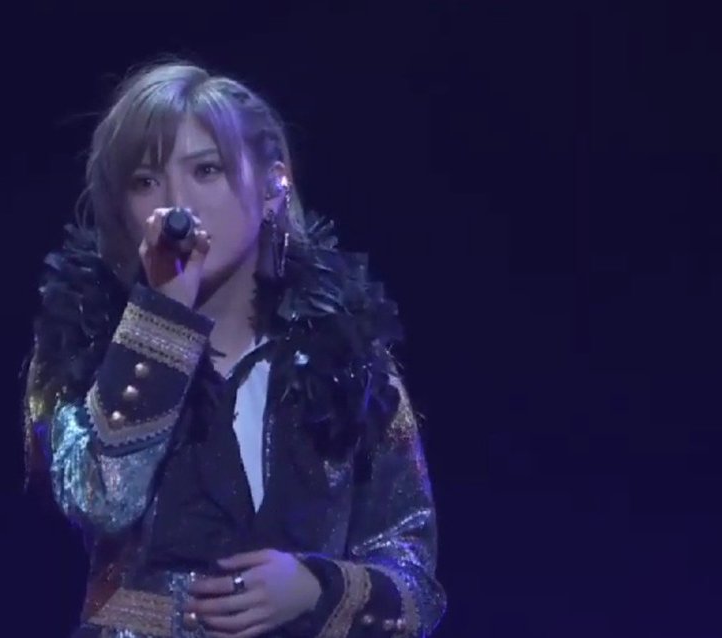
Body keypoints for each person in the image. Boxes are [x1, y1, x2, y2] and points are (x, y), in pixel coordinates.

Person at [22, 59, 446, 638]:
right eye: (146, 182)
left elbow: (416, 585)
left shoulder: (352, 366)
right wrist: (163, 316)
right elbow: (101, 499)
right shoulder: (87, 351)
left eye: (207, 170)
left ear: (273, 187)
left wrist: (317, 589)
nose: (177, 204)